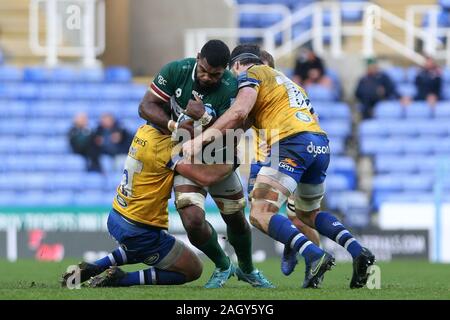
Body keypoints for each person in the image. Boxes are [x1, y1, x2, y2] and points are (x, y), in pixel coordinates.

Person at [184, 44, 376, 289]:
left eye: (230, 71)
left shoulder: (250, 74)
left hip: (290, 143)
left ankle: (313, 255)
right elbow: (245, 122)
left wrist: (200, 140)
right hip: (318, 144)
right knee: (308, 213)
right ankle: (359, 251)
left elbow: (239, 111)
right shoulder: (288, 82)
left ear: (237, 64)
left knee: (260, 213)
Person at [138, 39, 273, 288]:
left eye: (215, 74)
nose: (208, 77)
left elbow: (235, 127)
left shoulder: (233, 86)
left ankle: (247, 268)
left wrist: (206, 116)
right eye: (203, 70)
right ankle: (223, 265)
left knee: (235, 218)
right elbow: (146, 106)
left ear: (225, 71)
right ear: (198, 58)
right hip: (186, 154)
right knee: (192, 220)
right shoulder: (176, 71)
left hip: (217, 157)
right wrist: (174, 125)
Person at [61, 124, 235, 288]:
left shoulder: (143, 131)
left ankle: (96, 266)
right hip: (139, 228)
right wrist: (233, 161)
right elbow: (205, 178)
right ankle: (122, 279)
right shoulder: (168, 148)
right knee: (193, 268)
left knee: (140, 249)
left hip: (118, 215)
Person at [251, 50, 321, 276]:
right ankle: (293, 242)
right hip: (260, 161)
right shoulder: (248, 88)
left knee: (298, 219)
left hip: (290, 157)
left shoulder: (286, 90)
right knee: (258, 216)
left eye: (261, 67)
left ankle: (313, 260)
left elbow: (312, 121)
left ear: (271, 69)